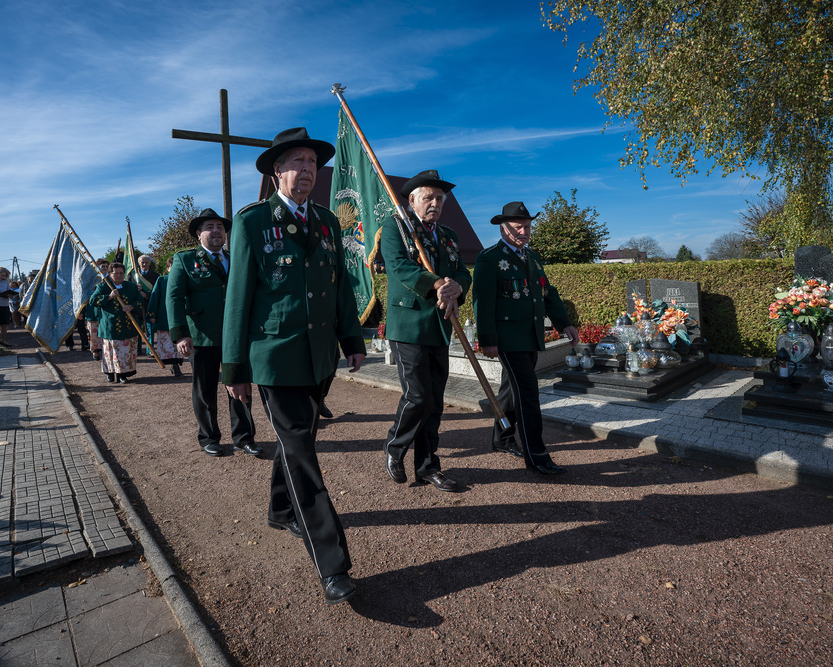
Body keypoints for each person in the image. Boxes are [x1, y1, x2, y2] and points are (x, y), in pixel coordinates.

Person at [222, 128, 366, 605]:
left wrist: (352, 339)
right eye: (297, 161)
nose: (307, 169)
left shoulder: (328, 222)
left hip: (320, 356)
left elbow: (341, 284)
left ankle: (280, 510)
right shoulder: (251, 222)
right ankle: (333, 563)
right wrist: (234, 368)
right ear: (276, 171)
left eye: (313, 162)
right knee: (303, 451)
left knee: (297, 442)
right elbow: (238, 299)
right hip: (276, 357)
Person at [381, 170, 471, 493]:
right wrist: (436, 283)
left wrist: (457, 286)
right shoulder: (396, 227)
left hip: (439, 324)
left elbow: (461, 271)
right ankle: (394, 445)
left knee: (435, 401)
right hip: (407, 325)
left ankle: (428, 466)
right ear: (412, 200)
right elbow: (399, 267)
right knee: (418, 395)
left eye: (439, 198)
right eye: (428, 197)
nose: (435, 203)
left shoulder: (448, 235)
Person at [473, 201, 579, 475]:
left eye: (528, 226)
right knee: (528, 393)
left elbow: (547, 292)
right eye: (518, 227)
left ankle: (503, 438)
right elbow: (482, 302)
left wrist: (564, 323)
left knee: (512, 390)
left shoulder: (531, 257)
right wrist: (487, 339)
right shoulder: (489, 258)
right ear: (503, 228)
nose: (524, 231)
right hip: (507, 338)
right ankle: (537, 455)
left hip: (530, 336)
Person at [168, 209, 259, 456]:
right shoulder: (184, 259)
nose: (216, 231)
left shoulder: (236, 258)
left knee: (240, 386)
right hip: (202, 336)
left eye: (220, 227)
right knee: (205, 389)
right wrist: (181, 334)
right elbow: (174, 297)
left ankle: (244, 436)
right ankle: (209, 437)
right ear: (199, 234)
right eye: (210, 227)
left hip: (236, 336)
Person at [88, 262, 145, 384]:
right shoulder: (103, 286)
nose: (118, 276)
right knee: (110, 352)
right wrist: (109, 296)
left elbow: (140, 300)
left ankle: (123, 374)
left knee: (125, 351)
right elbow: (92, 301)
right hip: (110, 326)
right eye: (115, 273)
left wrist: (132, 306)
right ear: (109, 274)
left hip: (128, 325)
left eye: (121, 273)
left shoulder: (131, 286)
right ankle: (110, 373)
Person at [147, 257, 187, 377]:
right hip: (164, 316)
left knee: (179, 342)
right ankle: (174, 366)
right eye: (172, 267)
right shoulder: (162, 280)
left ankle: (176, 364)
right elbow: (154, 297)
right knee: (167, 344)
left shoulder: (184, 279)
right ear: (168, 268)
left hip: (180, 315)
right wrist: (152, 314)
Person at [84, 259, 109, 360]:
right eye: (103, 266)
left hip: (107, 309)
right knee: (94, 333)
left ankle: (106, 351)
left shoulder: (111, 280)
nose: (105, 268)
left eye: (107, 266)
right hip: (93, 310)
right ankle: (95, 351)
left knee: (106, 332)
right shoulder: (91, 280)